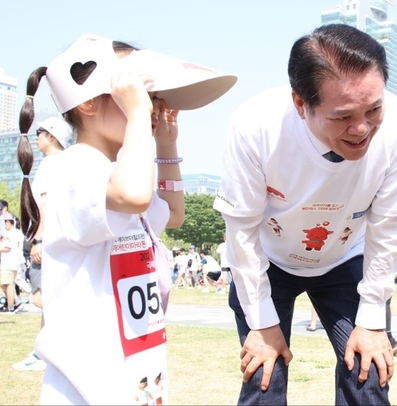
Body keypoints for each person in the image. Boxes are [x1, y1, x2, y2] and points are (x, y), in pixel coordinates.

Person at [213, 24, 397, 405]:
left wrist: (373, 316)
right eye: (342, 116)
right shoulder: (256, 126)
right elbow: (242, 230)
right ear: (301, 104)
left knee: (368, 373)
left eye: (374, 108)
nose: (362, 129)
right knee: (265, 374)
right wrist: (263, 323)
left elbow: (390, 228)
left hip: (347, 259)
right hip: (267, 261)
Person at [16, 33, 235, 403]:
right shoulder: (71, 167)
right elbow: (133, 195)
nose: (149, 108)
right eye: (134, 94)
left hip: (135, 367)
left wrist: (166, 143)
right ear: (87, 104)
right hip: (88, 381)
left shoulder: (115, 171)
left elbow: (174, 212)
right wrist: (137, 115)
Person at [12, 116, 73, 370]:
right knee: (48, 296)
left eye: (40, 132)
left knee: (41, 298)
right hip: (55, 236)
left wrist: (38, 239)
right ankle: (44, 351)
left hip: (45, 238)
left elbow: (45, 204)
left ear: (53, 136)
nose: (36, 137)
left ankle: (54, 350)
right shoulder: (65, 162)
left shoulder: (52, 164)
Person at [0, 214, 24, 314]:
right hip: (12, 263)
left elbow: (8, 247)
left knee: (7, 284)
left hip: (8, 263)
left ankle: (10, 306)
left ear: (8, 222)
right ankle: (14, 303)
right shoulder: (16, 233)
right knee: (5, 284)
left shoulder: (9, 234)